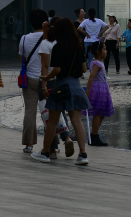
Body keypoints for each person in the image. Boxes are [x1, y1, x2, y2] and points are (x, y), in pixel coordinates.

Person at [32, 17, 89, 165]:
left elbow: (57, 69)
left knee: (52, 122)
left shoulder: (58, 47)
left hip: (61, 86)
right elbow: (84, 69)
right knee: (77, 121)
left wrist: (46, 77)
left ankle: (45, 152)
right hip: (76, 86)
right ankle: (83, 154)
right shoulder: (79, 47)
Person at [18, 9, 47, 154]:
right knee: (50, 112)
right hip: (46, 79)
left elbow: (22, 60)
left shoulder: (24, 39)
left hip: (29, 79)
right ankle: (52, 145)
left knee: (30, 111)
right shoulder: (50, 38)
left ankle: (29, 145)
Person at [85, 41, 114, 146]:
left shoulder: (99, 62)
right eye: (104, 49)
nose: (106, 51)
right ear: (98, 51)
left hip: (103, 88)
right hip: (98, 89)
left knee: (101, 113)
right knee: (98, 113)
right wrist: (87, 92)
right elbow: (91, 77)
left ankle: (94, 135)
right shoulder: (96, 63)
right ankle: (94, 136)